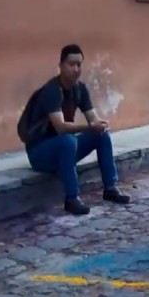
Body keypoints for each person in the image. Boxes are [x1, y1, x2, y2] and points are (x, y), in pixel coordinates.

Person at [17, 44, 132, 215]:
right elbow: (61, 127)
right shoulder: (52, 91)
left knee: (101, 136)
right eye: (71, 64)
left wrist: (99, 125)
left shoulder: (80, 89)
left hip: (63, 148)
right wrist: (89, 126)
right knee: (68, 140)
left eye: (79, 64)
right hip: (39, 153)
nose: (76, 69)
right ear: (61, 66)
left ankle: (110, 188)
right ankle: (72, 198)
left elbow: (92, 119)